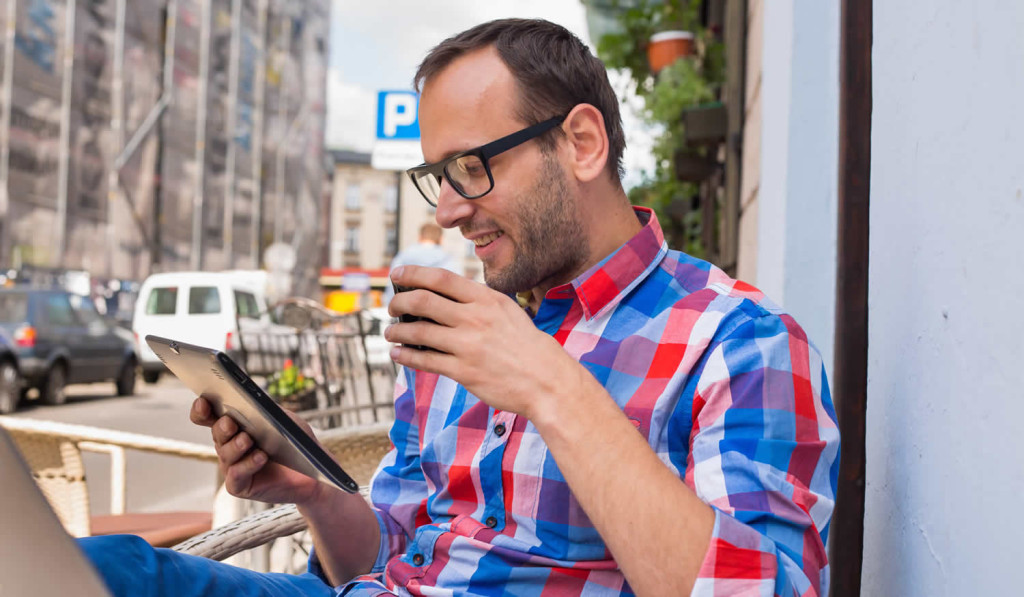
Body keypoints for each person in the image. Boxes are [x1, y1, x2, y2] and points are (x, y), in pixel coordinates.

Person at [80, 18, 840, 597]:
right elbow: (382, 560)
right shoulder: (459, 334)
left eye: (471, 168)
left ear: (580, 143)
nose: (446, 210)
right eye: (435, 176)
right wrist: (308, 490)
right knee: (99, 566)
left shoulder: (742, 342)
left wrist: (550, 384)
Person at [382, 222, 460, 305]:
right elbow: (457, 292)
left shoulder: (402, 257)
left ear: (420, 237)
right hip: (438, 313)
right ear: (440, 239)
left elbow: (391, 291)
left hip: (406, 312)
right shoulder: (449, 261)